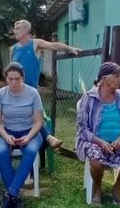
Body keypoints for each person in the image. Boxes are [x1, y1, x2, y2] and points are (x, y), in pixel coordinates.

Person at [76, 62, 120, 207]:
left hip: (119, 140)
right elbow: (82, 128)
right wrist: (101, 142)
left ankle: (116, 188)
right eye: (116, 76)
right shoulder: (89, 97)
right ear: (104, 78)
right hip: (95, 141)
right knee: (95, 159)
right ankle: (97, 187)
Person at [10, 19, 78, 149]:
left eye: (18, 28)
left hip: (31, 92)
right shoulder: (13, 49)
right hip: (14, 92)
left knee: (32, 116)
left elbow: (54, 46)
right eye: (15, 28)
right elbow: (9, 72)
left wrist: (70, 48)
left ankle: (43, 140)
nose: (15, 31)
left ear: (26, 30)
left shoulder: (35, 44)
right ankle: (48, 138)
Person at [0, 62, 44, 208]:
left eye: (17, 79)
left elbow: (38, 121)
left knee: (31, 150)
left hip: (29, 131)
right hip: (6, 131)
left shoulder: (33, 93)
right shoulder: (0, 94)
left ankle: (11, 194)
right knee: (1, 151)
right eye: (10, 79)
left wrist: (28, 136)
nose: (13, 83)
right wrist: (6, 136)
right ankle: (14, 196)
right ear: (6, 79)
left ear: (23, 78)